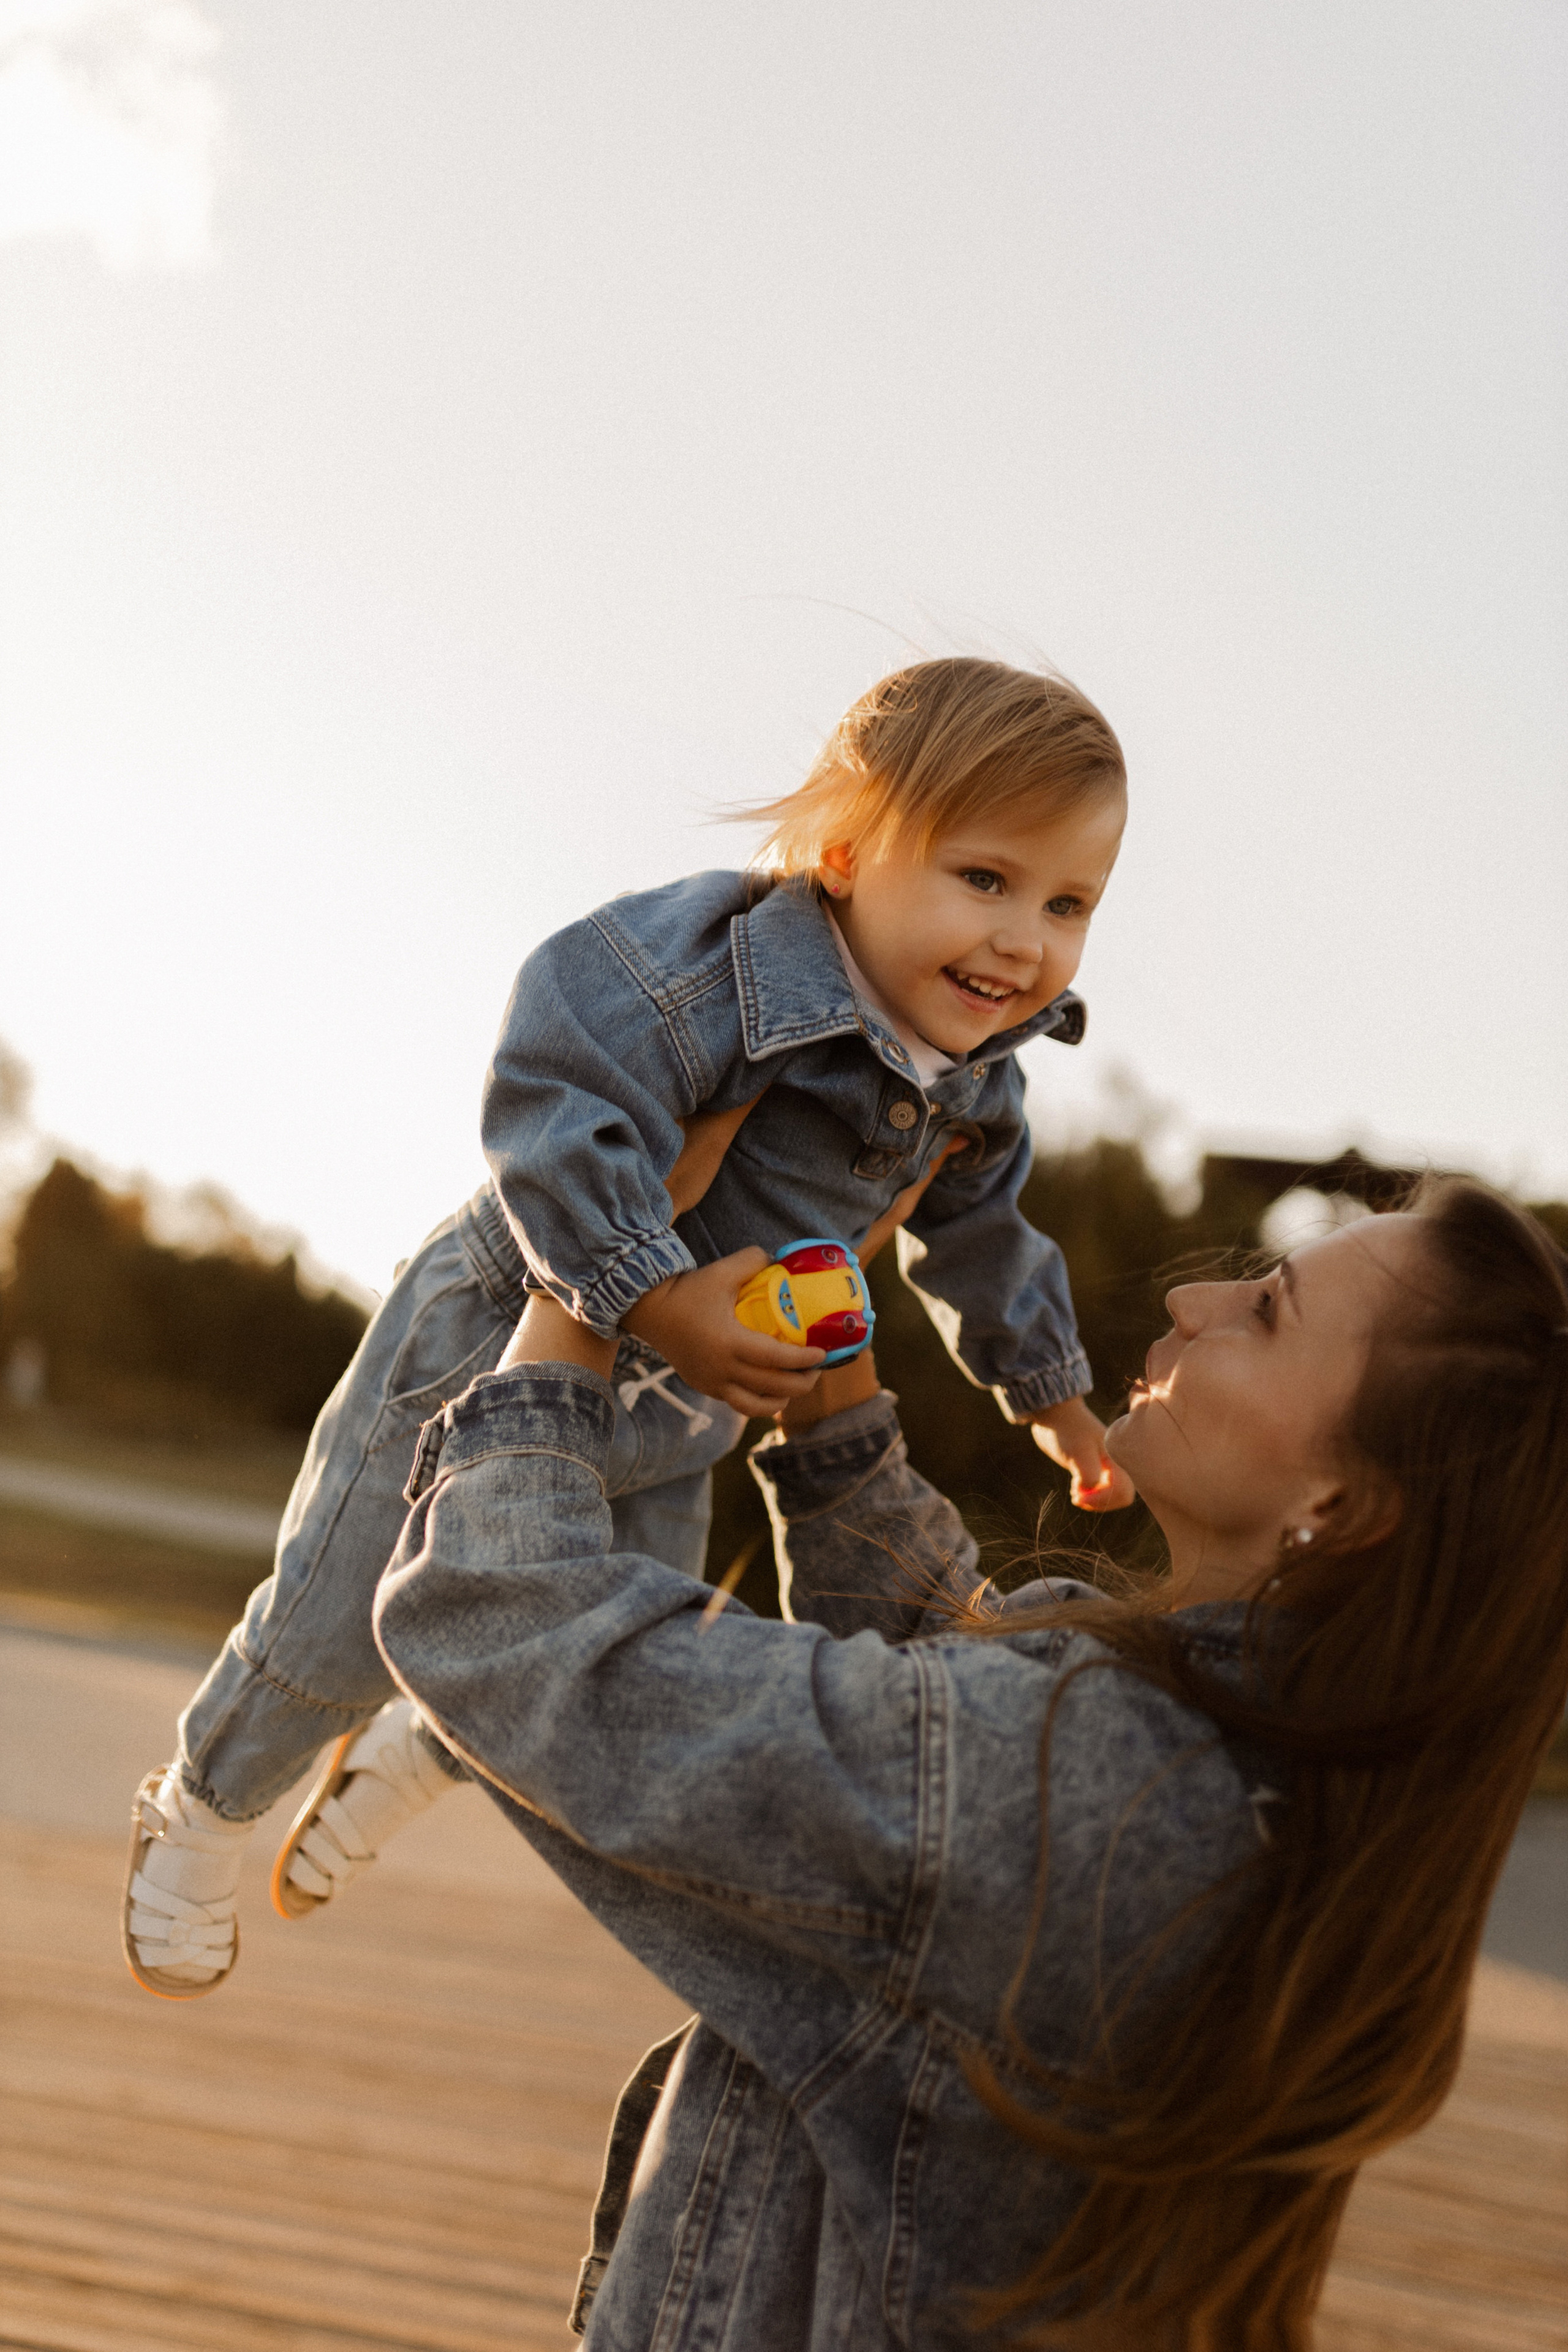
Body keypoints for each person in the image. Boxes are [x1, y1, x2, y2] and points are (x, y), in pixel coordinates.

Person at [369, 1177, 1567, 2350]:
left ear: (1344, 1504)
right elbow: (945, 1728)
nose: (1195, 1299)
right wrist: (833, 1412)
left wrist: (581, 1280)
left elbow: (508, 1628)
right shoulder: (1263, 1782)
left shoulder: (1094, 1794)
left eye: (1265, 1311)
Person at [122, 657, 1134, 1998]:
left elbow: (985, 1236)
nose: (1022, 942)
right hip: (504, 1329)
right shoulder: (715, 969)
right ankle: (201, 1806)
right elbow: (558, 1075)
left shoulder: (980, 1082)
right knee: (335, 1619)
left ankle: (430, 1747)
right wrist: (650, 1292)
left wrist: (1052, 1395)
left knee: (608, 1654)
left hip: (689, 1403)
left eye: (1068, 904)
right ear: (844, 853)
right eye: (985, 879)